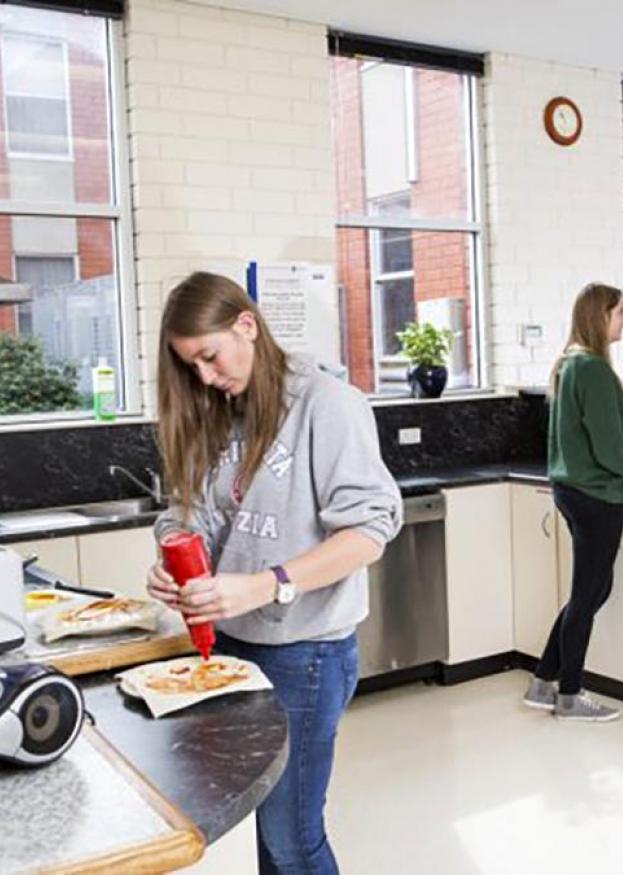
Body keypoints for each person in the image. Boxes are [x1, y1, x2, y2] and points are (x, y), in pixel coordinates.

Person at [146, 271, 403, 874]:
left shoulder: (327, 404)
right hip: (231, 646)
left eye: (209, 356)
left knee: (292, 840)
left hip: (305, 655)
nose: (204, 377)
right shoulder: (219, 412)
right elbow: (188, 513)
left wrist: (267, 584)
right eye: (190, 366)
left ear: (247, 325)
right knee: (261, 837)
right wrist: (172, 558)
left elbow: (368, 533)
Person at [523, 282, 623, 722]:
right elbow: (610, 450)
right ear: (600, 317)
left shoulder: (570, 364)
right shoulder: (592, 369)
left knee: (593, 590)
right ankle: (570, 695)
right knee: (588, 593)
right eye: (620, 312)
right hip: (596, 494)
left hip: (572, 490)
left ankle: (543, 681)